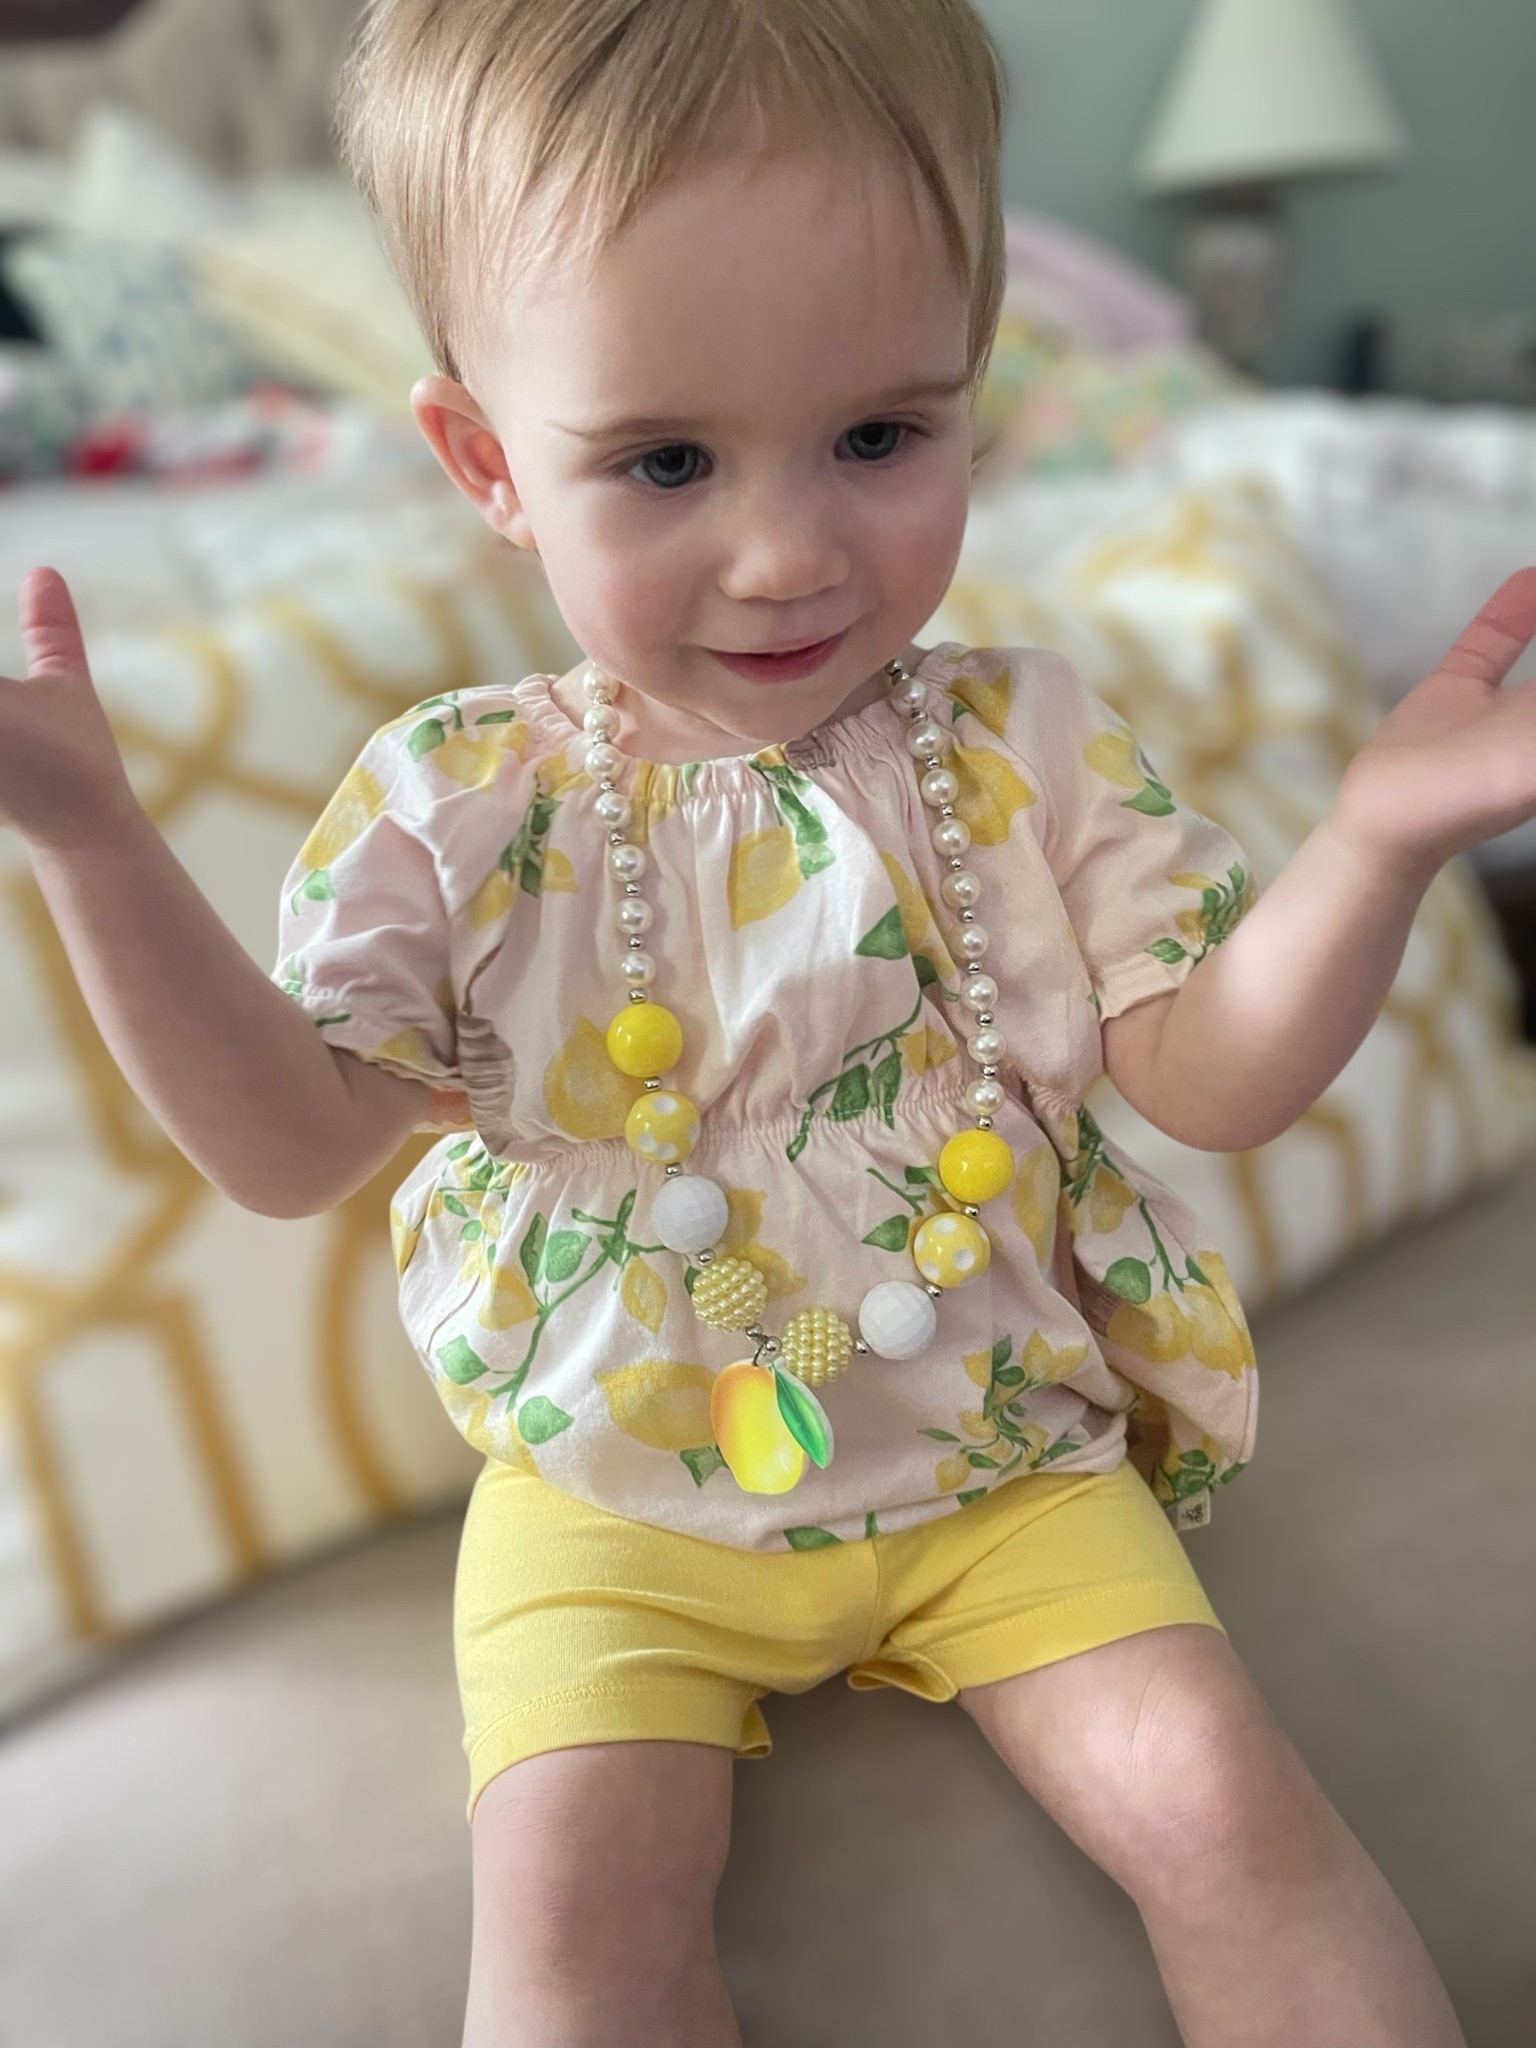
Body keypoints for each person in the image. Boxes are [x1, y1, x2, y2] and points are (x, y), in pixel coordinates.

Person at [4, 2, 1529, 2041]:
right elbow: (289, 1150)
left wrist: (1377, 841)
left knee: (1233, 1817)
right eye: (663, 460)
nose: (792, 549)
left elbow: (1213, 1075)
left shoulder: (1024, 745)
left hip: (997, 1449)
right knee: (565, 1942)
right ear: (487, 464)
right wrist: (95, 843)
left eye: (883, 435)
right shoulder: (462, 806)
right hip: (610, 1487)